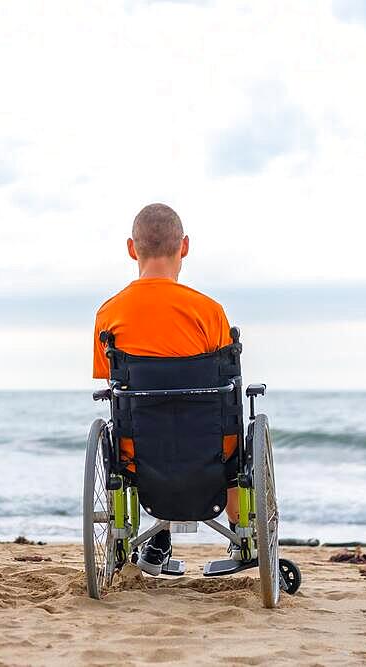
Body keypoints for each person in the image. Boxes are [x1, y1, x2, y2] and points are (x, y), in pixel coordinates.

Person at [92, 202, 240, 576]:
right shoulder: (209, 312)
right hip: (208, 446)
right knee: (234, 435)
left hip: (138, 451)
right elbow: (225, 388)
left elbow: (113, 387)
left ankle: (154, 537)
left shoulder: (109, 314)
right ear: (184, 246)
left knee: (135, 422)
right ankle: (241, 534)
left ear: (131, 248)